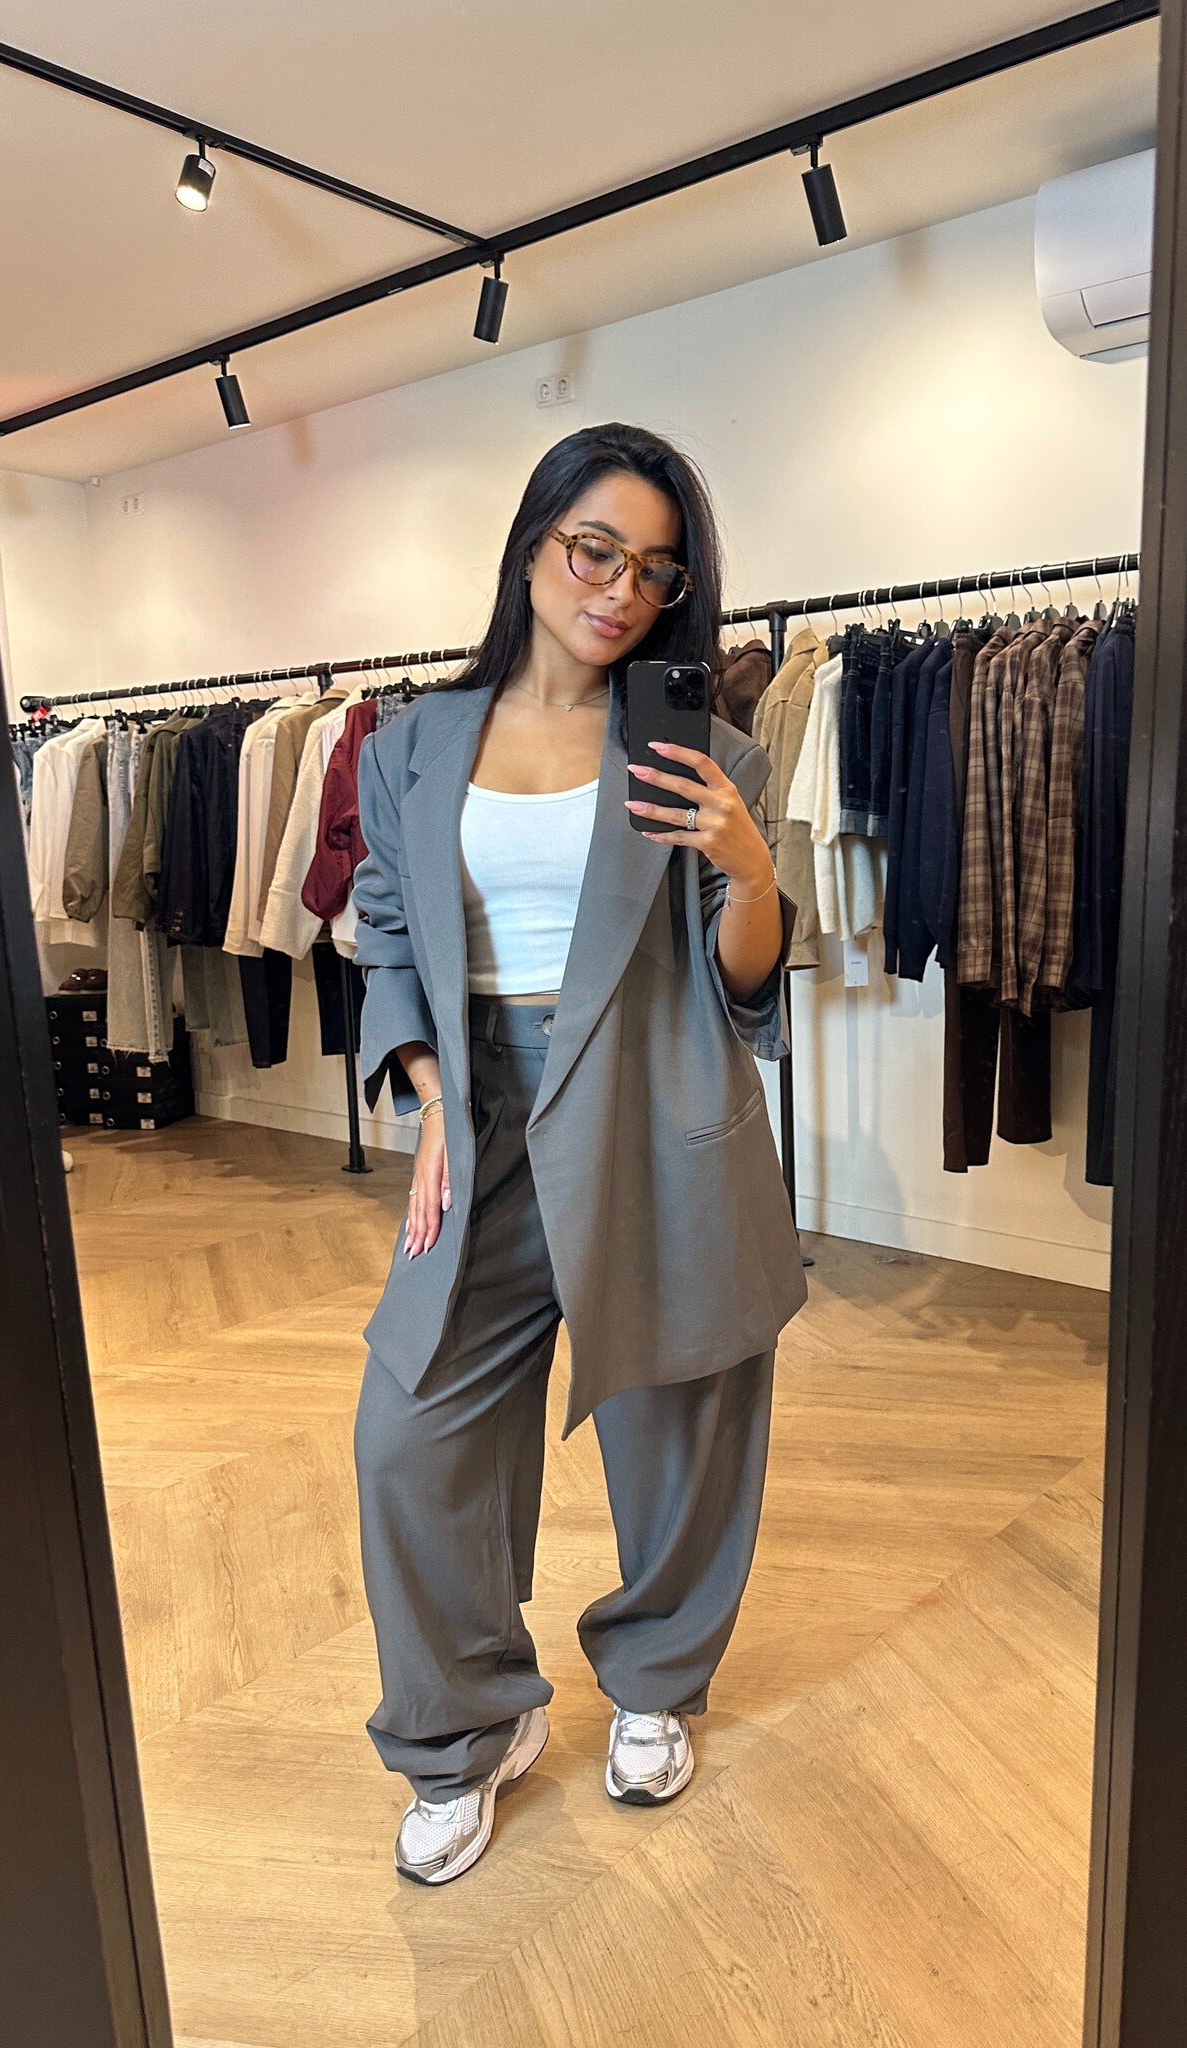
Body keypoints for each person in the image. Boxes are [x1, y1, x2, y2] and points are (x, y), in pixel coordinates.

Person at [350, 422, 808, 1885]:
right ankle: (466, 1724)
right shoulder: (414, 743)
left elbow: (743, 984)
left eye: (654, 571)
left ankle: (657, 1680)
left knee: (681, 1423)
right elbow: (386, 929)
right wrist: (430, 1093)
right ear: (533, 544)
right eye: (595, 549)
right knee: (410, 1434)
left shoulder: (704, 749)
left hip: (655, 1097)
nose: (620, 589)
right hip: (481, 1116)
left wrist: (750, 867)